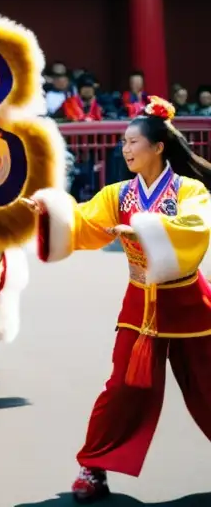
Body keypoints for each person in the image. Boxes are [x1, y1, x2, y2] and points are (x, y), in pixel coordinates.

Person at [22, 97, 211, 503]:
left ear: (158, 147)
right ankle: (93, 466)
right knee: (123, 387)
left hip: (189, 302)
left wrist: (145, 228)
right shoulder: (118, 194)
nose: (125, 149)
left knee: (208, 385)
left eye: (132, 142)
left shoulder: (189, 190)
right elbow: (83, 222)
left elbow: (196, 227)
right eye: (123, 143)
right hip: (141, 304)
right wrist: (49, 212)